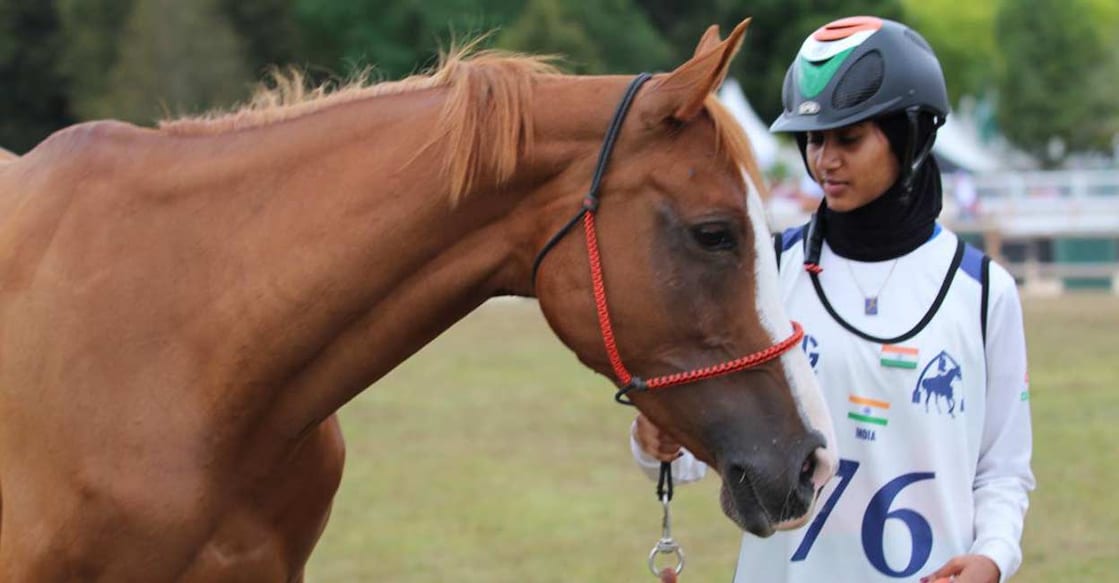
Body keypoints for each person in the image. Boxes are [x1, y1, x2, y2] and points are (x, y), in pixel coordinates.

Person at [632, 16, 1034, 583]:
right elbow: (712, 435)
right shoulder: (767, 271)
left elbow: (1004, 471)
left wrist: (993, 556)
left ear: (911, 137)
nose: (825, 160)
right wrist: (662, 440)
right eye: (814, 139)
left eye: (849, 139)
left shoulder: (986, 292)